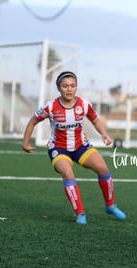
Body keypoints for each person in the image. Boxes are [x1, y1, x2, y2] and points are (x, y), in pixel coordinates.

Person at [22, 71, 126, 224]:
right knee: (68, 173)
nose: (69, 89)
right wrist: (25, 143)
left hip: (81, 146)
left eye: (72, 86)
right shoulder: (50, 107)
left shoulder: (84, 104)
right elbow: (32, 122)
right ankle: (80, 213)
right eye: (65, 86)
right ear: (59, 88)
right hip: (58, 148)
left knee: (103, 169)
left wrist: (104, 134)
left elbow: (95, 120)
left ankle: (110, 205)